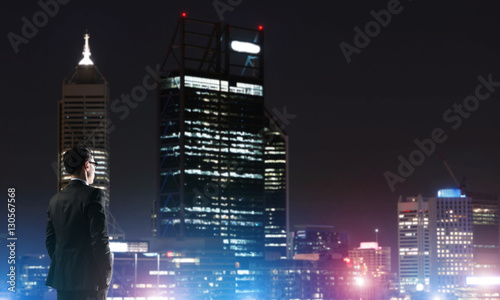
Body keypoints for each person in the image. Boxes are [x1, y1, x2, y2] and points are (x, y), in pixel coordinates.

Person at [45, 146, 112, 300]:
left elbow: (50, 241)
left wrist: (64, 266)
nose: (94, 170)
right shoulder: (94, 194)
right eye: (95, 165)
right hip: (89, 282)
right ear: (87, 165)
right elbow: (100, 239)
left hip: (62, 281)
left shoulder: (55, 200)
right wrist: (106, 278)